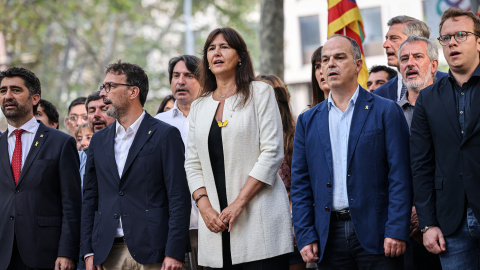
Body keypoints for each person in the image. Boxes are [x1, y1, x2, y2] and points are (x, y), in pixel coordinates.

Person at [291, 35, 412, 269]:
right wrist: (305, 235)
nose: (330, 64)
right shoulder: (308, 121)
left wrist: (397, 229)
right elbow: (300, 184)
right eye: (325, 60)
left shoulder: (386, 111)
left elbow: (400, 175)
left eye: (339, 57)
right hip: (329, 236)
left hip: (378, 233)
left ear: (358, 65)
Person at [185, 27, 293, 269]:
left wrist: (238, 203)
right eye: (211, 48)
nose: (217, 52)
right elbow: (192, 162)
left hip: (259, 222)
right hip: (214, 224)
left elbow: (272, 152)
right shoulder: (199, 106)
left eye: (224, 46)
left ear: (240, 56)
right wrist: (204, 207)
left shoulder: (260, 92)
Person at [81, 61, 190, 270]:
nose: (104, 93)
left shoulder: (165, 135)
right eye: (104, 86)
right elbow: (90, 198)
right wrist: (88, 251)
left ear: (133, 91)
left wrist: (174, 252)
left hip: (154, 251)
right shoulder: (98, 140)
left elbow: (178, 196)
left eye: (111, 86)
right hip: (108, 252)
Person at [410, 8, 480, 269]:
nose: (452, 42)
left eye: (461, 35)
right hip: (451, 225)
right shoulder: (427, 99)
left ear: (478, 41)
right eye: (446, 38)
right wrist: (427, 223)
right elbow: (421, 166)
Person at [0, 67, 81, 270]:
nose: (8, 96)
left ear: (35, 98)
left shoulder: (61, 143)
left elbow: (71, 204)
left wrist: (67, 251)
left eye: (16, 90)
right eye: (3, 91)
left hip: (46, 254)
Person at [397, 36, 442, 270]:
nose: (410, 63)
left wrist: (427, 213)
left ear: (433, 65)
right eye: (404, 59)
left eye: (417, 57)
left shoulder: (451, 105)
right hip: (404, 225)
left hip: (448, 217)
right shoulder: (390, 114)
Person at [155, 55, 203, 270]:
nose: (180, 81)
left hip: (212, 223)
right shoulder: (157, 125)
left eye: (188, 75)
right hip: (171, 231)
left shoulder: (216, 117)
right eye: (175, 76)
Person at [257, 74, 304, 270]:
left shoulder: (296, 136)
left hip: (291, 228)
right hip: (258, 231)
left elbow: (302, 187)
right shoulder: (247, 136)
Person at [375, 15, 447, 101]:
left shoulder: (451, 85)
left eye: (394, 38)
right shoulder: (378, 95)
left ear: (415, 40)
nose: (385, 45)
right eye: (386, 38)